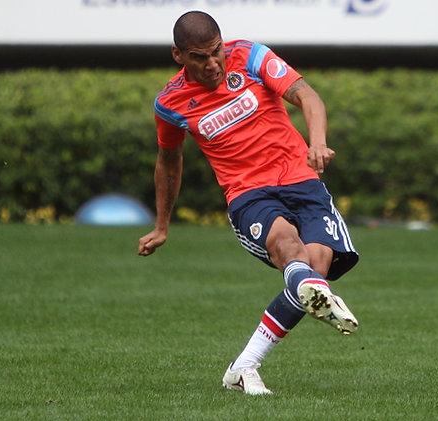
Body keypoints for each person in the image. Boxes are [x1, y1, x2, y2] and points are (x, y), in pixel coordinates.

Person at [137, 10, 360, 396]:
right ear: (178, 55)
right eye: (200, 57)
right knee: (289, 247)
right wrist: (161, 225)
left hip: (302, 179)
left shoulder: (251, 56)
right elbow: (168, 161)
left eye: (216, 52)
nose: (213, 64)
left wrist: (318, 142)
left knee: (316, 266)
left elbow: (306, 95)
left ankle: (243, 367)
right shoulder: (171, 103)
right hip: (248, 194)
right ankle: (311, 297)